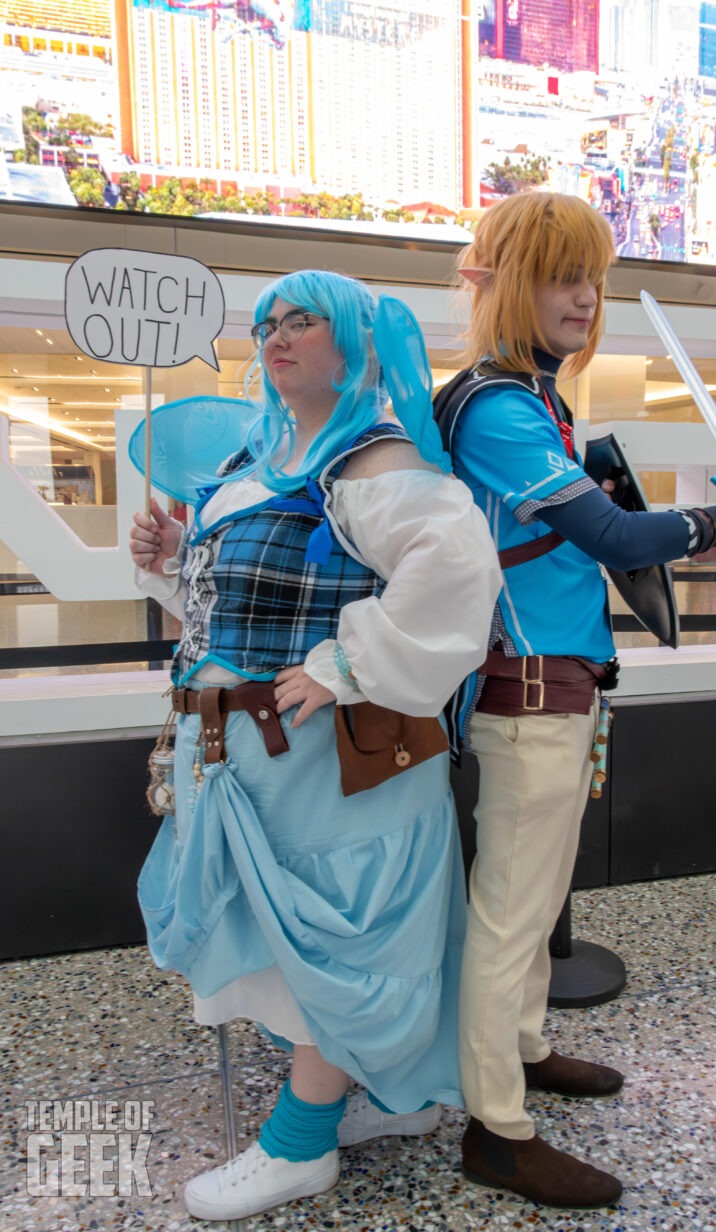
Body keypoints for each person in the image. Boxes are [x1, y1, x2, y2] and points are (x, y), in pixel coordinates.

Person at [434, 191, 716, 1209]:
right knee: (510, 912)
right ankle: (496, 1126)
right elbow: (617, 541)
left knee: (540, 897)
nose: (583, 295)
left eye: (589, 273)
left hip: (560, 684)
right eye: (557, 273)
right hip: (525, 690)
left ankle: (527, 1046)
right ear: (503, 282)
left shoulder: (532, 403)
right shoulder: (498, 406)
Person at [130, 269, 501, 1222]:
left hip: (328, 769)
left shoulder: (373, 463)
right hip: (249, 759)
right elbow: (235, 616)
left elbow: (456, 571)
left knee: (334, 945)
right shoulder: (266, 460)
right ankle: (381, 1096)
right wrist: (175, 562)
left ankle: (300, 1147)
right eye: (267, 324)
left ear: (356, 345)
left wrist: (345, 665)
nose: (278, 337)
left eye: (304, 321)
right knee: (285, 941)